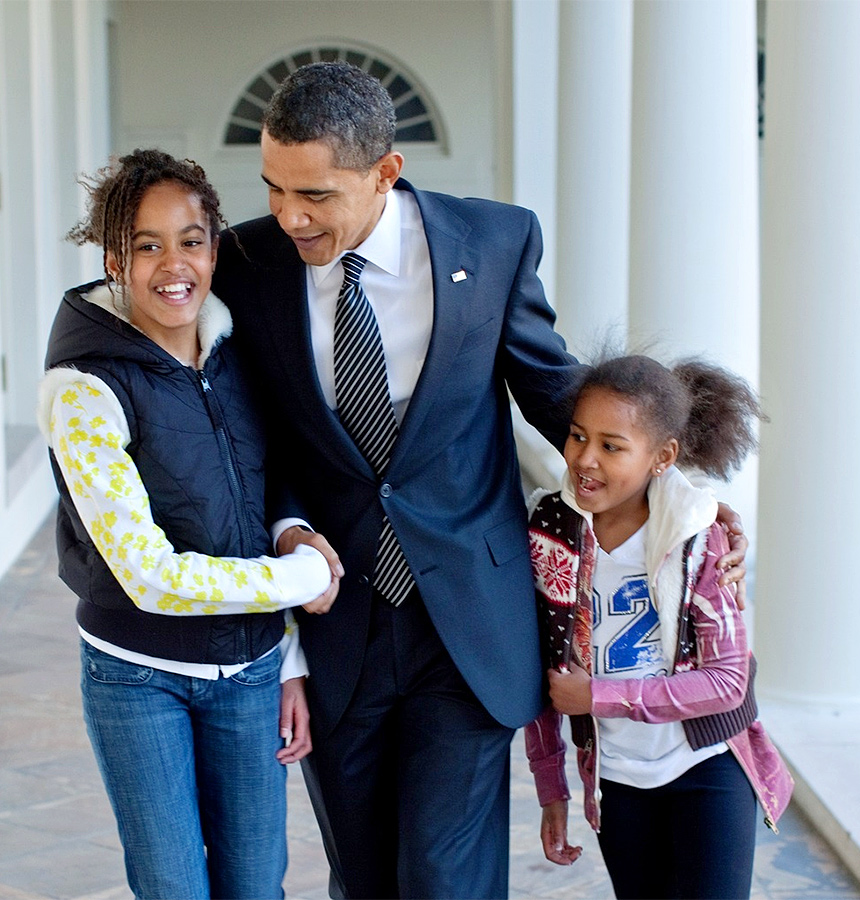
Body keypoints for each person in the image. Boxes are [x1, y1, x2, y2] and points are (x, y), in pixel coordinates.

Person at [212, 62, 749, 899]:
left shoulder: (491, 244)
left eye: (315, 194)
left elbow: (556, 394)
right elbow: (256, 440)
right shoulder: (247, 262)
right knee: (364, 877)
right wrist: (285, 532)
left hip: (466, 621)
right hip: (337, 617)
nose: (291, 215)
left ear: (387, 171)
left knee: (444, 876)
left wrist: (685, 507)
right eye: (275, 188)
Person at [38, 149, 340, 899]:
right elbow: (150, 576)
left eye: (192, 240)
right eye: (147, 245)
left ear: (214, 247)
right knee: (174, 888)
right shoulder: (83, 389)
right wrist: (298, 580)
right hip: (139, 676)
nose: (174, 265)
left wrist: (290, 653)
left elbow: (261, 490)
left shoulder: (236, 350)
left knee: (255, 886)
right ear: (115, 259)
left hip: (250, 673)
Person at [524, 355, 793, 900]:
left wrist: (598, 695)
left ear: (662, 457)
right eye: (578, 436)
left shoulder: (700, 538)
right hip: (618, 781)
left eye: (612, 446)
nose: (586, 460)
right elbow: (543, 672)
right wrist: (552, 788)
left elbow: (727, 683)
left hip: (708, 767)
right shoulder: (547, 533)